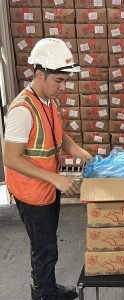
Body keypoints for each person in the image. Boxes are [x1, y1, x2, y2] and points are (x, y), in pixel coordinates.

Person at [3, 38, 92, 300]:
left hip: (47, 188)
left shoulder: (48, 102)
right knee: (44, 248)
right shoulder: (22, 110)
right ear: (39, 74)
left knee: (47, 242)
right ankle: (43, 294)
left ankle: (47, 288)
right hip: (32, 193)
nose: (63, 87)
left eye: (65, 81)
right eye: (59, 81)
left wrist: (79, 151)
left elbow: (57, 135)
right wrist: (55, 178)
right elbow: (11, 158)